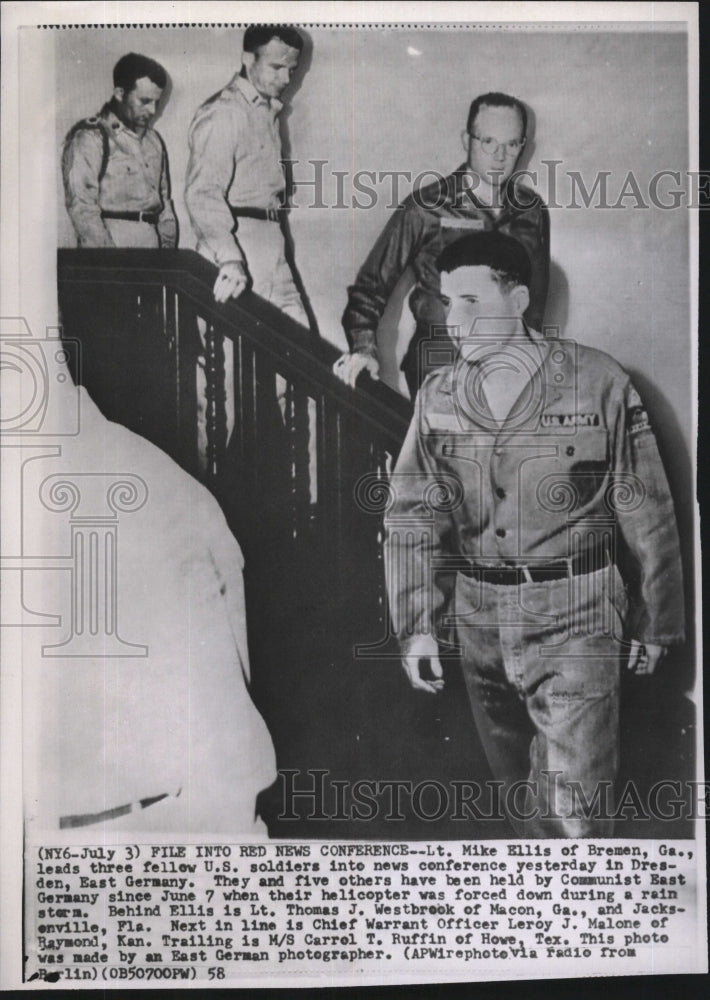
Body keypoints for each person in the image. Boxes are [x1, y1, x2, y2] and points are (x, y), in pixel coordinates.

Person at [383, 232, 684, 837]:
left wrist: (658, 620)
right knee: (523, 811)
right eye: (447, 302)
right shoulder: (439, 395)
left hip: (575, 616)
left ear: (518, 299)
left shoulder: (598, 381)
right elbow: (412, 514)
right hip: (479, 625)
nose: (455, 320)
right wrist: (415, 625)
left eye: (471, 300)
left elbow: (645, 505)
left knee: (571, 822)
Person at [334, 92, 549, 397]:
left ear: (522, 146)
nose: (500, 156)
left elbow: (536, 302)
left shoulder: (532, 210)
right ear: (467, 140)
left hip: (509, 374)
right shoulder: (426, 207)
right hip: (441, 368)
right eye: (488, 142)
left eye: (511, 144)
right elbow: (369, 289)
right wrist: (364, 349)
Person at [185, 24, 308, 322]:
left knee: (302, 348)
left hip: (272, 241)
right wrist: (228, 258)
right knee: (228, 359)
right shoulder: (225, 113)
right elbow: (203, 193)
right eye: (276, 67)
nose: (286, 79)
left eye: (291, 69)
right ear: (246, 58)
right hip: (237, 243)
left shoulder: (267, 112)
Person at [62, 52, 177, 248]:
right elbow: (82, 209)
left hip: (153, 248)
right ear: (119, 93)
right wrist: (110, 264)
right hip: (113, 245)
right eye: (145, 101)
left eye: (157, 102)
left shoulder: (153, 141)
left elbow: (164, 203)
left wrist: (167, 250)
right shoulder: (90, 137)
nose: (153, 110)